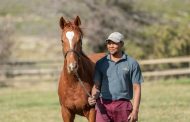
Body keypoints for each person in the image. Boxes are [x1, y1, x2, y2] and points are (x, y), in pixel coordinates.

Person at [88, 32, 143, 122]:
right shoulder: (100, 63)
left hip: (123, 106)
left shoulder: (132, 63)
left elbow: (137, 88)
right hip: (103, 106)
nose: (111, 46)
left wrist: (135, 111)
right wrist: (93, 96)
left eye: (114, 43)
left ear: (121, 44)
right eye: (109, 43)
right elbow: (96, 86)